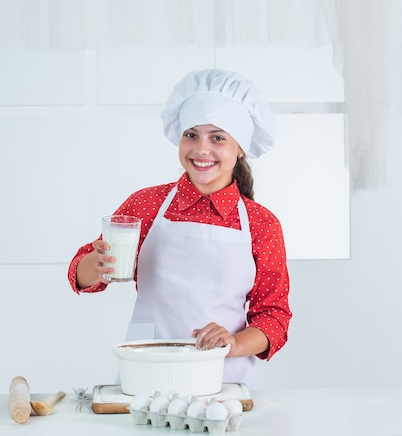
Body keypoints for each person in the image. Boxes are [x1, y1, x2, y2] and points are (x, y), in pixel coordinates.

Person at [67, 69, 291, 388]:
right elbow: (79, 273)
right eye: (191, 135)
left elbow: (274, 316)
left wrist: (234, 343)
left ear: (240, 148)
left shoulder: (261, 224)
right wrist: (97, 265)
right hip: (146, 372)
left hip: (222, 380)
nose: (201, 149)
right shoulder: (147, 204)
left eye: (217, 137)